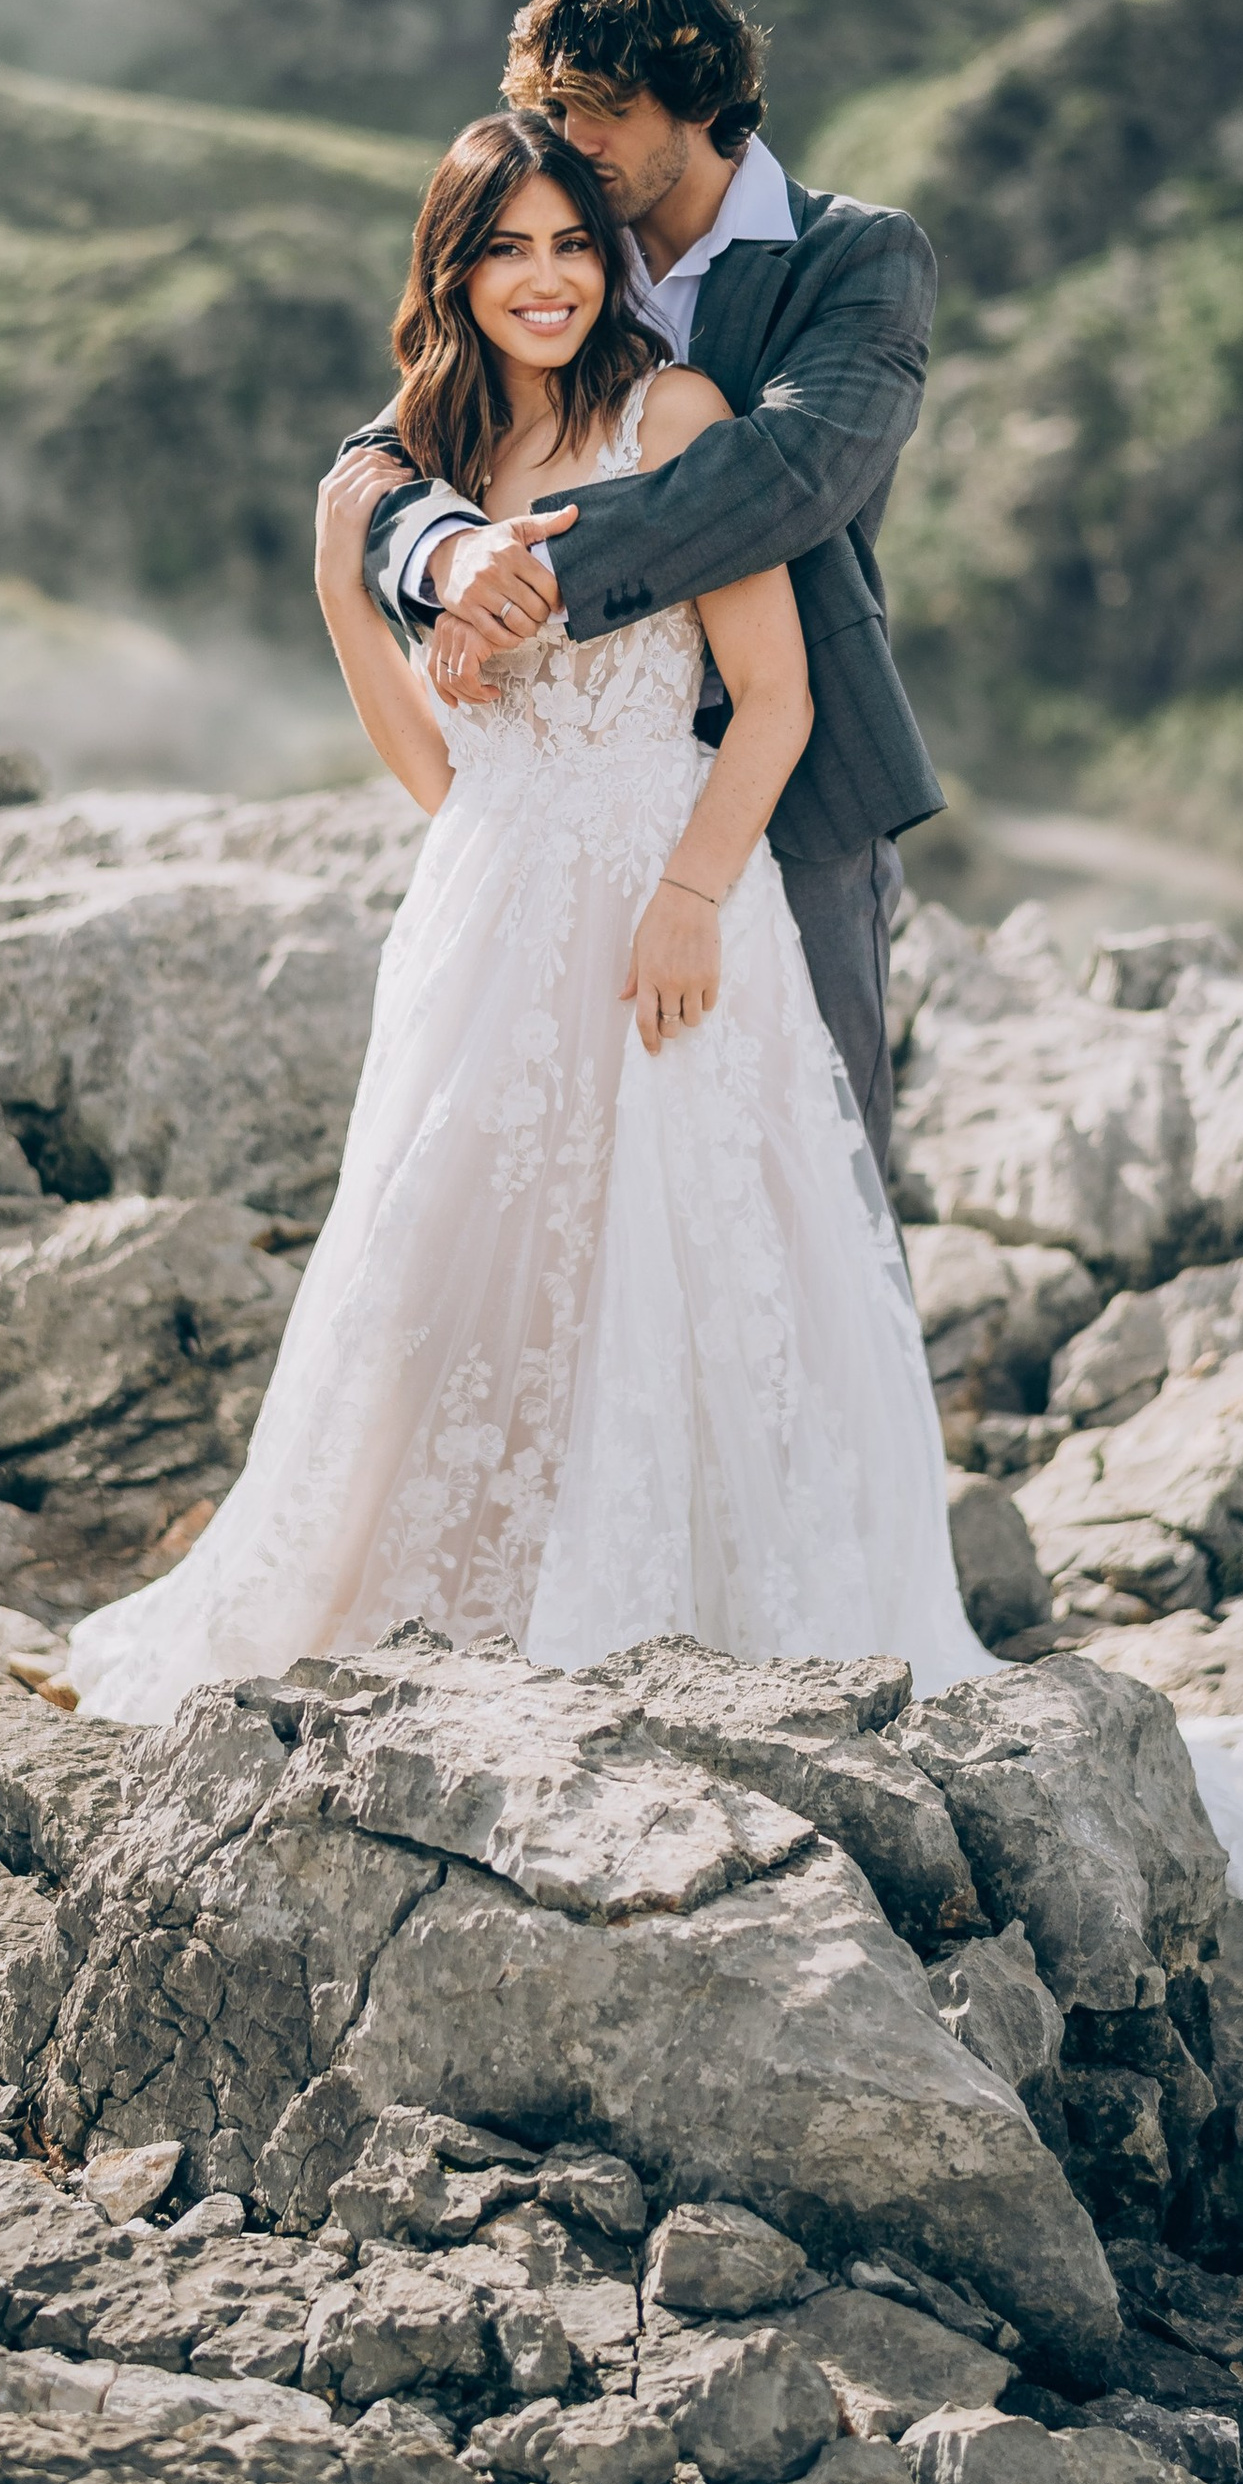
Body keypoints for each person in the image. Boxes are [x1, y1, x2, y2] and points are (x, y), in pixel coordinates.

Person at [66, 109, 989, 1723]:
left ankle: (694, 1623)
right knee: (455, 1274)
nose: (547, 278)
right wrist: (343, 587)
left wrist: (693, 894)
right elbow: (443, 775)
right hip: (490, 916)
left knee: (680, 1264)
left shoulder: (677, 413)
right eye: (509, 249)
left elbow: (770, 701)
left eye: (574, 244)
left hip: (666, 903)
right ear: (458, 269)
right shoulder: (431, 473)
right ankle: (459, 1603)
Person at [356, 0, 944, 1179]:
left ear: (696, 94)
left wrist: (531, 572)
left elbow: (791, 474)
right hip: (566, 815)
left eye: (595, 113)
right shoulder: (563, 243)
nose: (568, 141)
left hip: (795, 776)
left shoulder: (858, 259)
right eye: (548, 112)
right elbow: (383, 454)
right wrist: (443, 549)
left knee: (812, 1178)